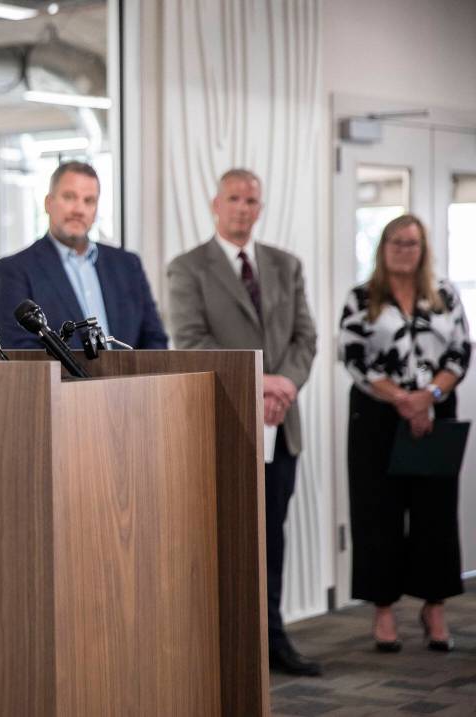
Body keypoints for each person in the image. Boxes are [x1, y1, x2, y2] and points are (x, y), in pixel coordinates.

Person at [167, 168, 320, 676]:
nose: (242, 208)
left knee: (272, 537)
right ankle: (228, 649)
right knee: (225, 539)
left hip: (281, 423)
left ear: (260, 207)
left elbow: (305, 338)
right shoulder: (187, 268)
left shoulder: (286, 265)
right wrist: (261, 382)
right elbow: (191, 342)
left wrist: (285, 386)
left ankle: (274, 639)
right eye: (233, 198)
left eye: (251, 200)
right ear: (216, 204)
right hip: (225, 422)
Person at [338, 213, 470, 653]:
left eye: (411, 243)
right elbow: (354, 357)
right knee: (378, 513)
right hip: (377, 416)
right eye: (395, 242)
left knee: (436, 513)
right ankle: (383, 610)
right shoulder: (361, 297)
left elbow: (460, 352)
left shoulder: (445, 295)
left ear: (423, 249)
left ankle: (435, 607)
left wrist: (428, 396)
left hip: (435, 414)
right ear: (383, 248)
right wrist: (403, 399)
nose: (403, 250)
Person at [0, 161, 168, 350]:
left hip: (129, 371)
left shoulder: (128, 265)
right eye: (69, 197)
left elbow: (155, 341)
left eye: (89, 201)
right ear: (48, 203)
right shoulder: (16, 270)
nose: (79, 210)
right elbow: (22, 353)